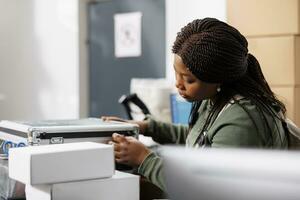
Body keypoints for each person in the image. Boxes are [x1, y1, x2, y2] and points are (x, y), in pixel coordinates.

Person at [103, 17, 288, 192]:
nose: (178, 84)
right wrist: (147, 127)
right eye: (177, 73)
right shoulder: (215, 98)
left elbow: (210, 189)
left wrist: (144, 159)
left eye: (189, 79)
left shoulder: (241, 120)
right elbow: (199, 138)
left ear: (217, 79)